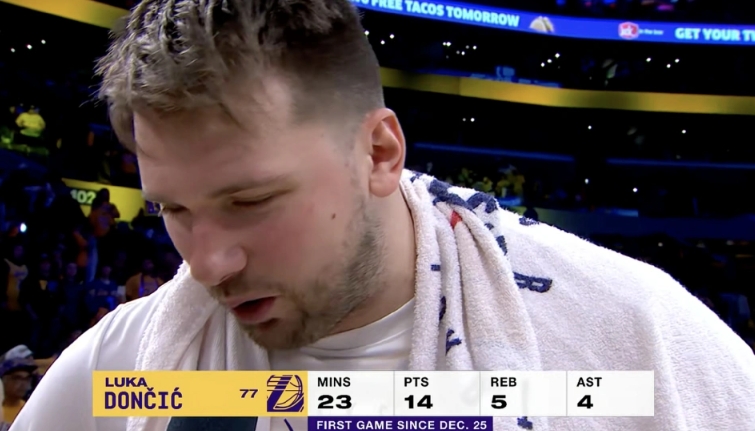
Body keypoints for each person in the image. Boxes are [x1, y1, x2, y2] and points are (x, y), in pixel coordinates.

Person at [12, 1, 755, 431]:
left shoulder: (637, 337)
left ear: (378, 152)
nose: (207, 263)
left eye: (251, 201)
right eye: (173, 209)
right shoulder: (121, 370)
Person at [1, 358, 36, 426]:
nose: (23, 384)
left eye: (26, 379)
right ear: (3, 380)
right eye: (17, 378)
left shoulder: (29, 409)